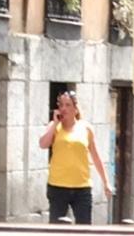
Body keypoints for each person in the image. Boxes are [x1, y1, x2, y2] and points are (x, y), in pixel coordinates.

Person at [39, 91, 112, 225]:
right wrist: (55, 124)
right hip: (58, 185)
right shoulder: (54, 127)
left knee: (84, 227)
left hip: (81, 187)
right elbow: (43, 144)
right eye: (61, 105)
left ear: (75, 108)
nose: (63, 108)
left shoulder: (86, 128)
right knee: (56, 228)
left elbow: (96, 157)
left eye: (68, 105)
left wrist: (106, 182)